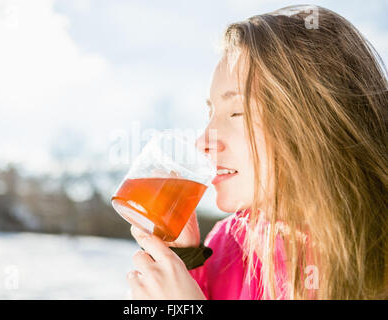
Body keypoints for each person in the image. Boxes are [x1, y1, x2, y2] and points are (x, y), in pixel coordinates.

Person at [126, 5, 387, 300]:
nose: (203, 141)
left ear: (317, 123)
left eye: (237, 113)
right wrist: (185, 261)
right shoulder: (228, 243)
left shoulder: (373, 261)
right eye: (210, 113)